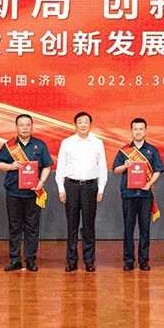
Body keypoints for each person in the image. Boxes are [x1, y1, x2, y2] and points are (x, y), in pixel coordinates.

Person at [0, 114, 53, 272]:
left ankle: (30, 259)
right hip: (14, 192)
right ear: (16, 127)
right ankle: (15, 259)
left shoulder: (40, 145)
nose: (25, 128)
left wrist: (41, 182)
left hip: (32, 193)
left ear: (32, 127)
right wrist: (11, 166)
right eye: (21, 125)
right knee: (14, 227)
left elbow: (47, 165)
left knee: (32, 227)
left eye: (28, 125)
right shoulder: (8, 146)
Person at [56, 112, 107, 272]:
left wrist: (101, 187)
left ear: (90, 125)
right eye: (80, 122)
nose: (83, 125)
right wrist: (61, 187)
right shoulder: (67, 142)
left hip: (90, 187)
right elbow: (61, 165)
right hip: (71, 186)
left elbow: (102, 166)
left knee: (88, 225)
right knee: (72, 224)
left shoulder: (97, 143)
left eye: (86, 122)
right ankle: (71, 261)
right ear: (75, 125)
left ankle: (89, 260)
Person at [112, 118, 164, 271]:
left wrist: (150, 183)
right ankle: (128, 260)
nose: (138, 132)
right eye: (135, 129)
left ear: (145, 131)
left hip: (145, 194)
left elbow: (158, 170)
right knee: (128, 228)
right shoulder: (124, 151)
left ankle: (144, 260)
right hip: (128, 194)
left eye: (141, 129)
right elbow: (115, 170)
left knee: (145, 228)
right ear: (131, 131)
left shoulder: (152, 150)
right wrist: (125, 165)